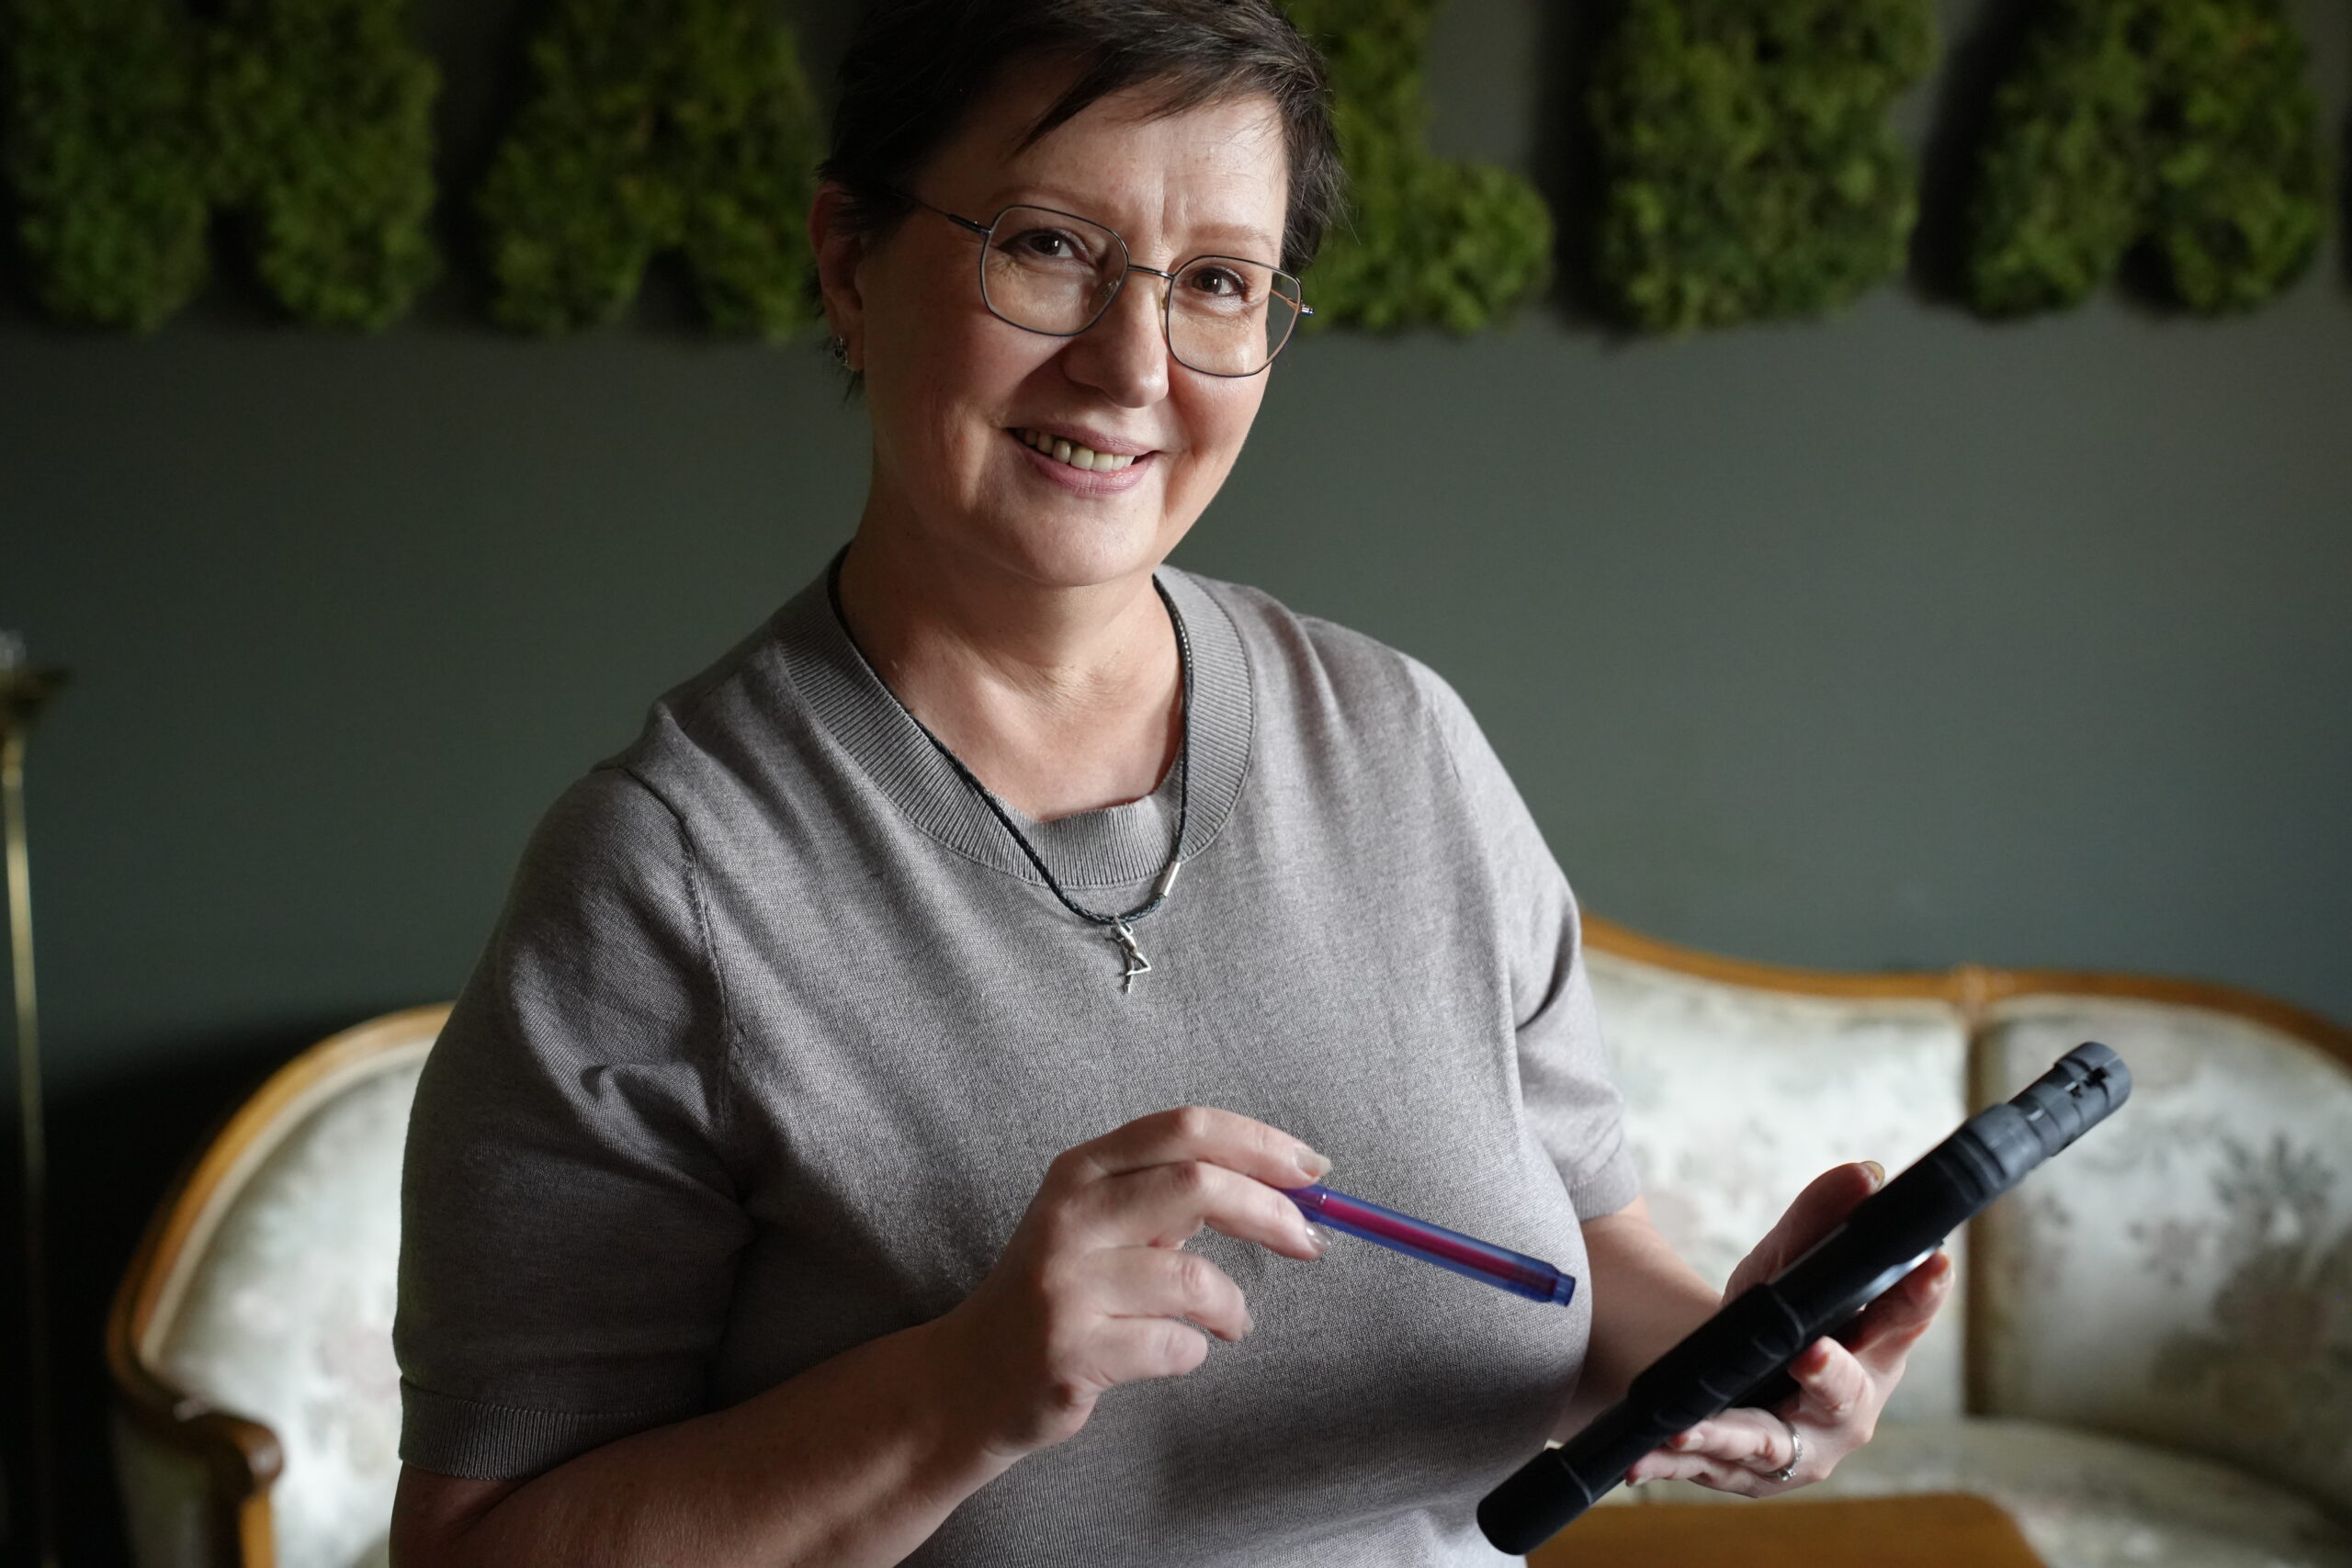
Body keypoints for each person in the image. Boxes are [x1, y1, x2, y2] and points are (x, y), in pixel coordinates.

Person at [388, 2, 1954, 1563]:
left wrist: (1748, 1357)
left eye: (1216, 282)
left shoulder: (1402, 743)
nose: (1130, 366)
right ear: (850, 260)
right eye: (1048, 247)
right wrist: (958, 1389)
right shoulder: (665, 876)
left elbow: (1583, 1269)